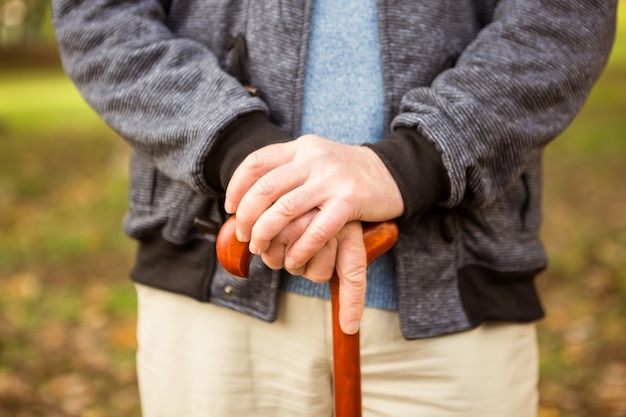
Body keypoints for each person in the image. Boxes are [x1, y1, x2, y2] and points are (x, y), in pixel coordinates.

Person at [52, 1, 616, 416]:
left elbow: (560, 20)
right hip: (214, 292)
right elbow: (102, 17)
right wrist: (248, 157)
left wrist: (406, 165)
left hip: (456, 305)